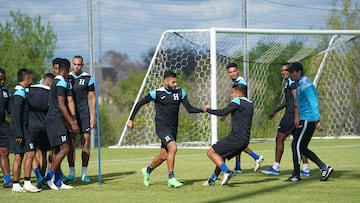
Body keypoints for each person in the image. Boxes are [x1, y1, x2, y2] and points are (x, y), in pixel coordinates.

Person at [127, 70, 204, 188]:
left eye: (176, 82)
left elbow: (189, 109)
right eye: (173, 82)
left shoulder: (180, 92)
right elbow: (139, 104)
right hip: (162, 127)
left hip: (173, 128)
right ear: (165, 81)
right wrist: (131, 119)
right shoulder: (156, 93)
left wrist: (202, 110)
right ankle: (171, 178)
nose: (175, 84)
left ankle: (147, 170)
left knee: (164, 155)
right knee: (173, 147)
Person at [285, 62, 333, 182]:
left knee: (295, 145)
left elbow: (313, 102)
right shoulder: (300, 83)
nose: (290, 75)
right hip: (305, 119)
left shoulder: (305, 84)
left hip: (308, 119)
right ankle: (324, 167)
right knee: (302, 147)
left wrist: (317, 120)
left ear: (298, 72)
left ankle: (296, 175)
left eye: (292, 72)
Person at [261, 62, 310, 176]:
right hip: (296, 114)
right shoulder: (290, 82)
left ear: (291, 71)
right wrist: (275, 110)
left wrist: (296, 116)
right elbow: (288, 101)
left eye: (286, 70)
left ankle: (276, 167)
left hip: (291, 115)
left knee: (279, 139)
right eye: (282, 70)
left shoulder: (292, 82)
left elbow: (296, 99)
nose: (283, 72)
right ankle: (306, 169)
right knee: (299, 142)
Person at [203, 84, 253, 186]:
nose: (231, 95)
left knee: (211, 152)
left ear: (238, 93)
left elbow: (222, 112)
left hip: (236, 137)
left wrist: (208, 110)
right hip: (245, 140)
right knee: (220, 156)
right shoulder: (250, 104)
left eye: (232, 93)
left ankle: (227, 171)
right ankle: (212, 180)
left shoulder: (237, 101)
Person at [44, 58, 80, 190]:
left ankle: (58, 181)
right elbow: (61, 105)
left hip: (55, 120)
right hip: (55, 120)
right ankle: (49, 178)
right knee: (65, 149)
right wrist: (72, 122)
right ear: (68, 70)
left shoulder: (56, 81)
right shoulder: (61, 83)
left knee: (57, 151)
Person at [225, 63, 263, 173]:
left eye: (234, 71)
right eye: (230, 72)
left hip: (241, 113)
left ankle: (256, 157)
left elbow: (240, 99)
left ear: (238, 71)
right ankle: (238, 166)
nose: (232, 73)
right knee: (237, 140)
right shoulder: (236, 82)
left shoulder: (241, 82)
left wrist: (226, 113)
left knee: (238, 140)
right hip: (239, 111)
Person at [64, 55, 96, 183]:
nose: (77, 66)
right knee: (71, 145)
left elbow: (92, 98)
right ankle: (71, 173)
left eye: (79, 65)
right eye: (75, 64)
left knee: (85, 142)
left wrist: (93, 117)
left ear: (82, 65)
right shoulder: (67, 78)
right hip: (71, 116)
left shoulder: (88, 78)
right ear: (72, 64)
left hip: (84, 115)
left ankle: (84, 173)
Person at [9, 68, 39, 192]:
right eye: (31, 78)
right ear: (26, 78)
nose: (31, 81)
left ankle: (17, 185)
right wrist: (19, 133)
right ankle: (25, 183)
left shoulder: (22, 92)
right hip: (21, 130)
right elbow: (15, 115)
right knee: (29, 154)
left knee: (19, 156)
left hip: (22, 129)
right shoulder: (19, 94)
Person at [26, 73, 54, 189]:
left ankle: (38, 176)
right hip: (44, 127)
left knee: (31, 154)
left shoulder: (29, 90)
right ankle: (41, 179)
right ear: (50, 82)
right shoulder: (50, 94)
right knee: (43, 154)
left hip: (31, 127)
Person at [0, 68, 11, 188]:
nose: (2, 82)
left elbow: (10, 110)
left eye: (4, 79)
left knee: (4, 152)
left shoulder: (6, 92)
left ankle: (7, 180)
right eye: (0, 79)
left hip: (2, 126)